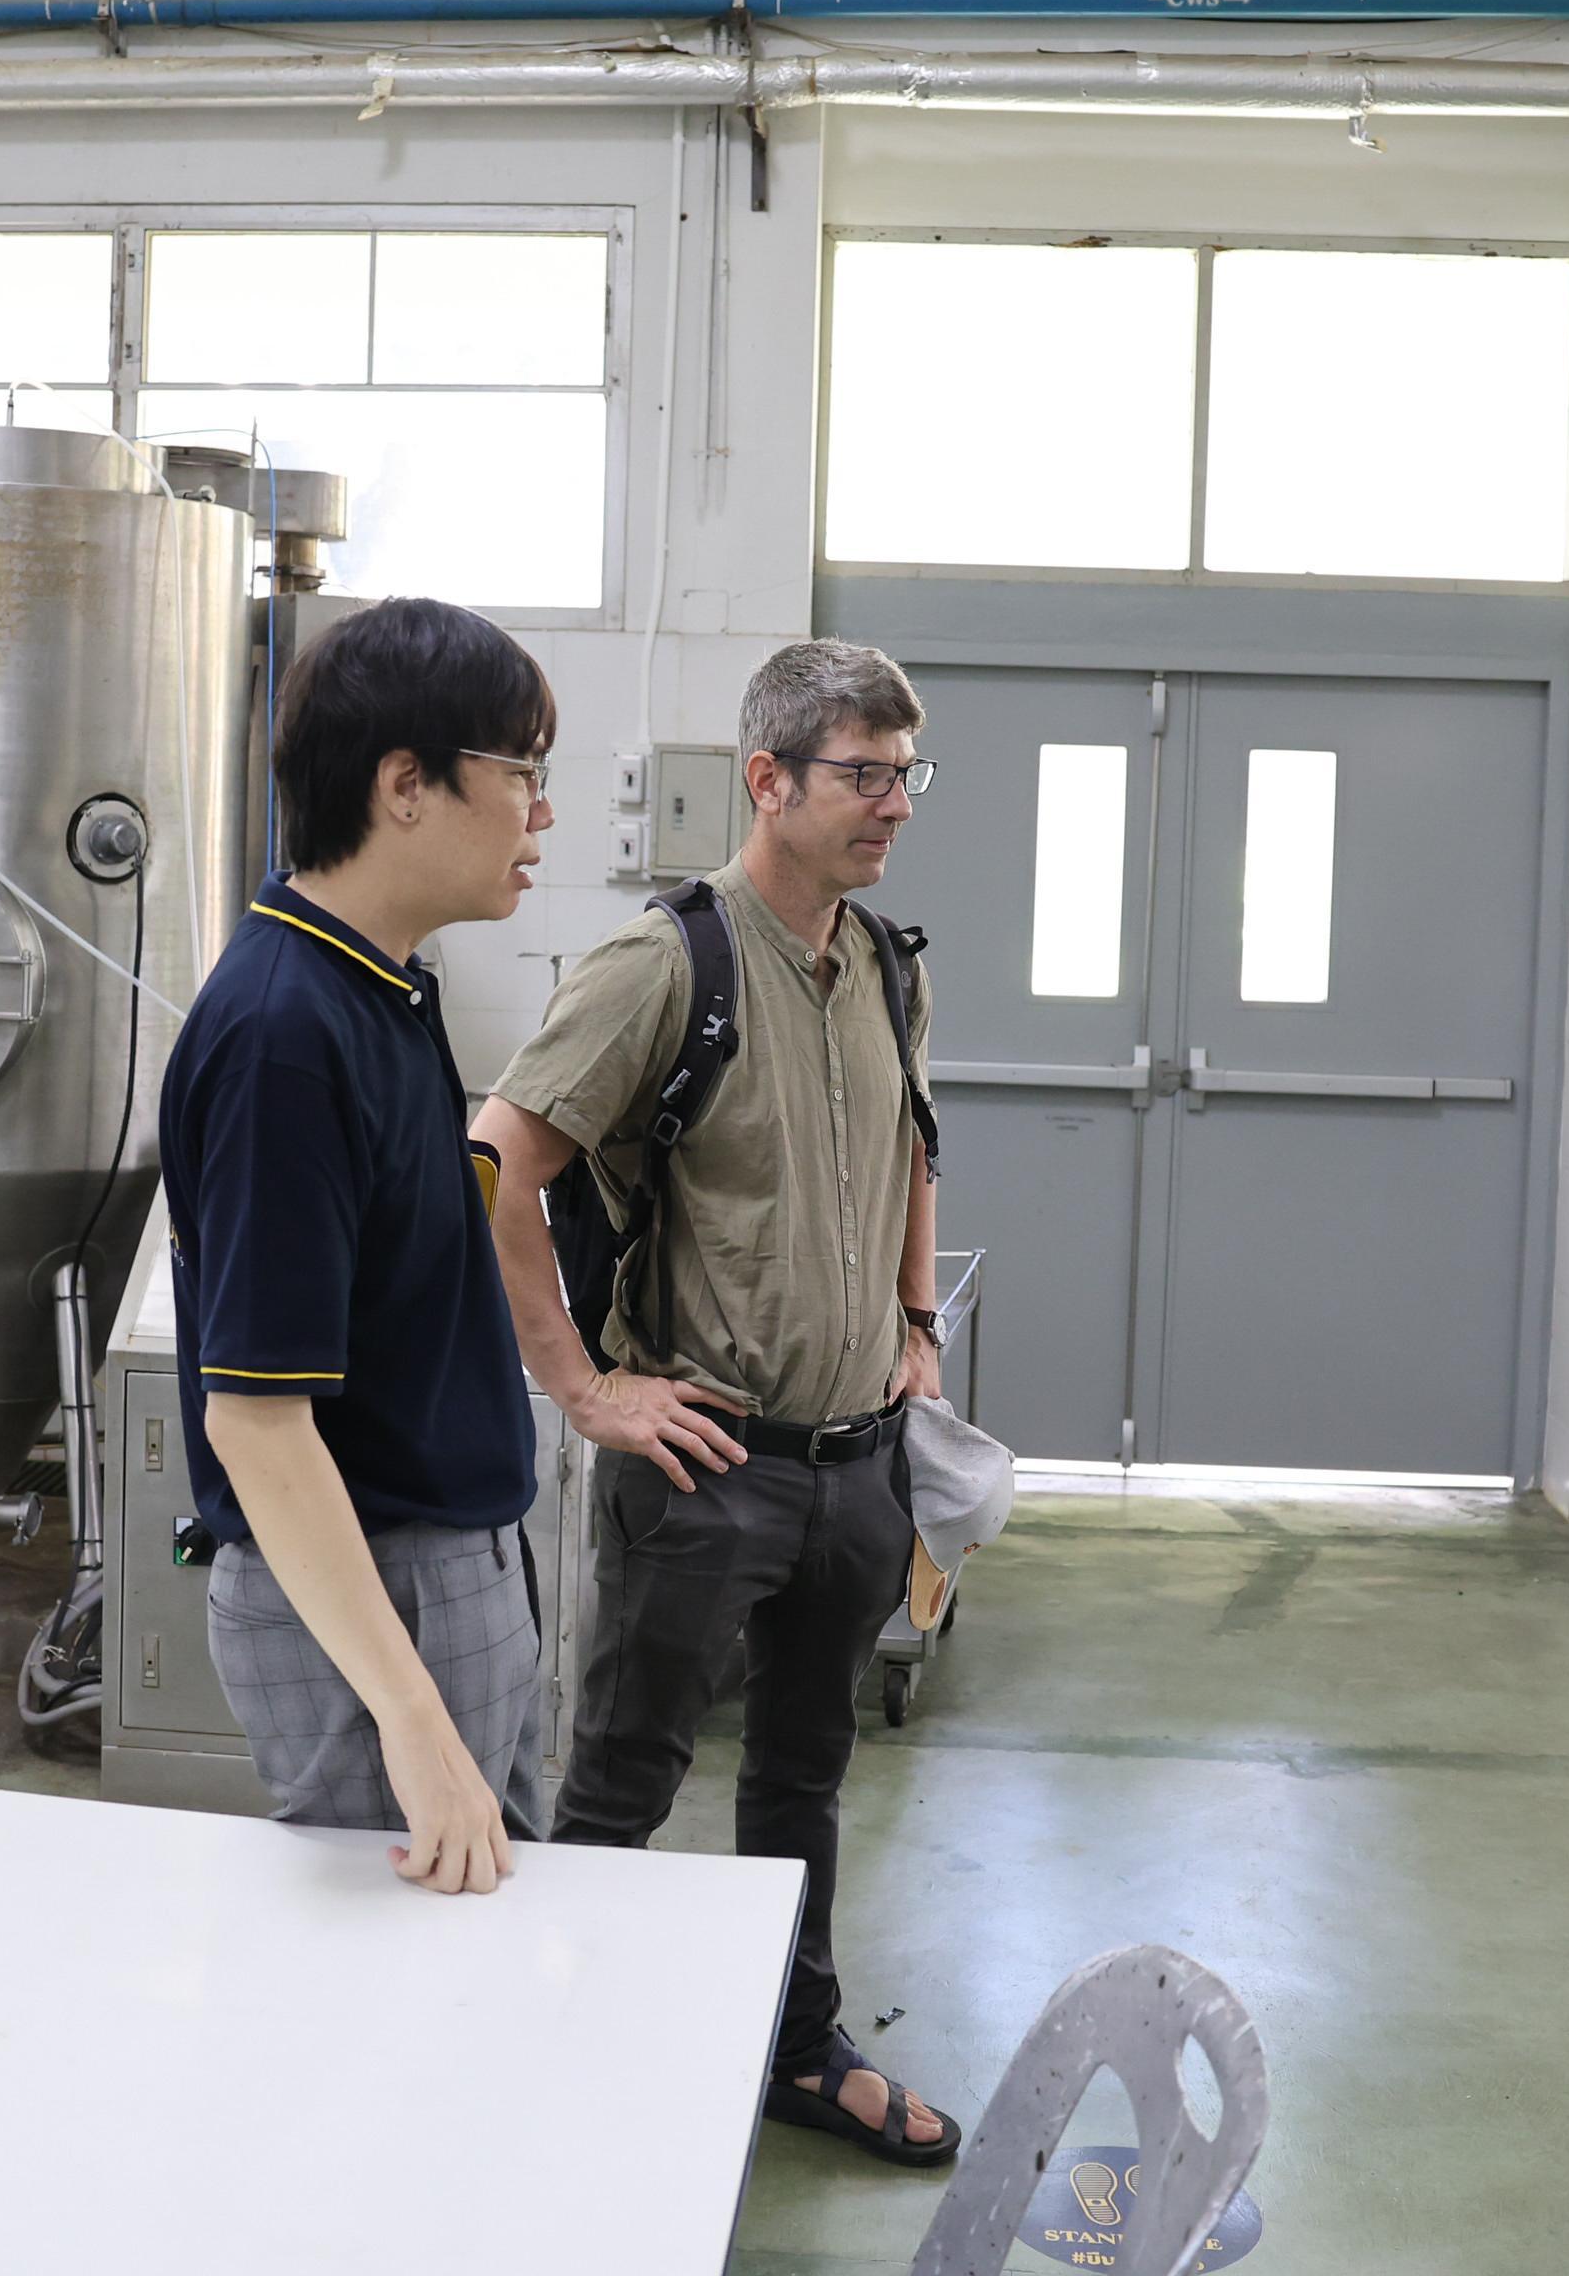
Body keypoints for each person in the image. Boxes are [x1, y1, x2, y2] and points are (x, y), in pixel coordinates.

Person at [472, 638, 964, 2165]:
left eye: (906, 775)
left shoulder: (887, 964)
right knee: (624, 1782)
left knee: (805, 1779)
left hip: (858, 1465)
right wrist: (584, 1388)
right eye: (864, 775)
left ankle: (794, 2049)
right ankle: (557, 2078)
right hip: (705, 1466)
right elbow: (495, 1165)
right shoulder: (663, 966)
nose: (895, 805)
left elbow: (915, 1146)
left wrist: (915, 1324)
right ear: (769, 780)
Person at [161, 596, 559, 1896]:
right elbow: (255, 1421)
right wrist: (413, 1717)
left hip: (440, 1568)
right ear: (405, 785)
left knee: (480, 1932)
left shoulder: (379, 984)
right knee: (403, 1963)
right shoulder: (284, 1035)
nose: (542, 813)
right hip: (376, 1593)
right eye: (521, 772)